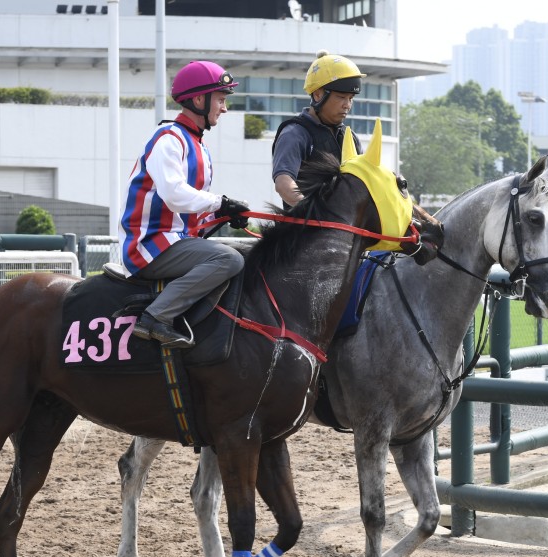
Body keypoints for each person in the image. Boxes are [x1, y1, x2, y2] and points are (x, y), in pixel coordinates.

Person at [121, 61, 249, 350]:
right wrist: (221, 201)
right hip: (150, 245)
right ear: (198, 99)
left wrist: (222, 213)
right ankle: (155, 317)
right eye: (220, 99)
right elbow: (175, 195)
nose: (224, 108)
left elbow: (190, 207)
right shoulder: (168, 139)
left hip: (176, 241)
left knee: (247, 254)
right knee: (230, 259)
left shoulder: (198, 145)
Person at [272, 51, 365, 207]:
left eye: (351, 98)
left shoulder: (350, 137)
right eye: (341, 97)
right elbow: (284, 185)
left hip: (346, 228)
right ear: (317, 95)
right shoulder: (295, 134)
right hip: (306, 229)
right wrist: (315, 212)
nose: (347, 105)